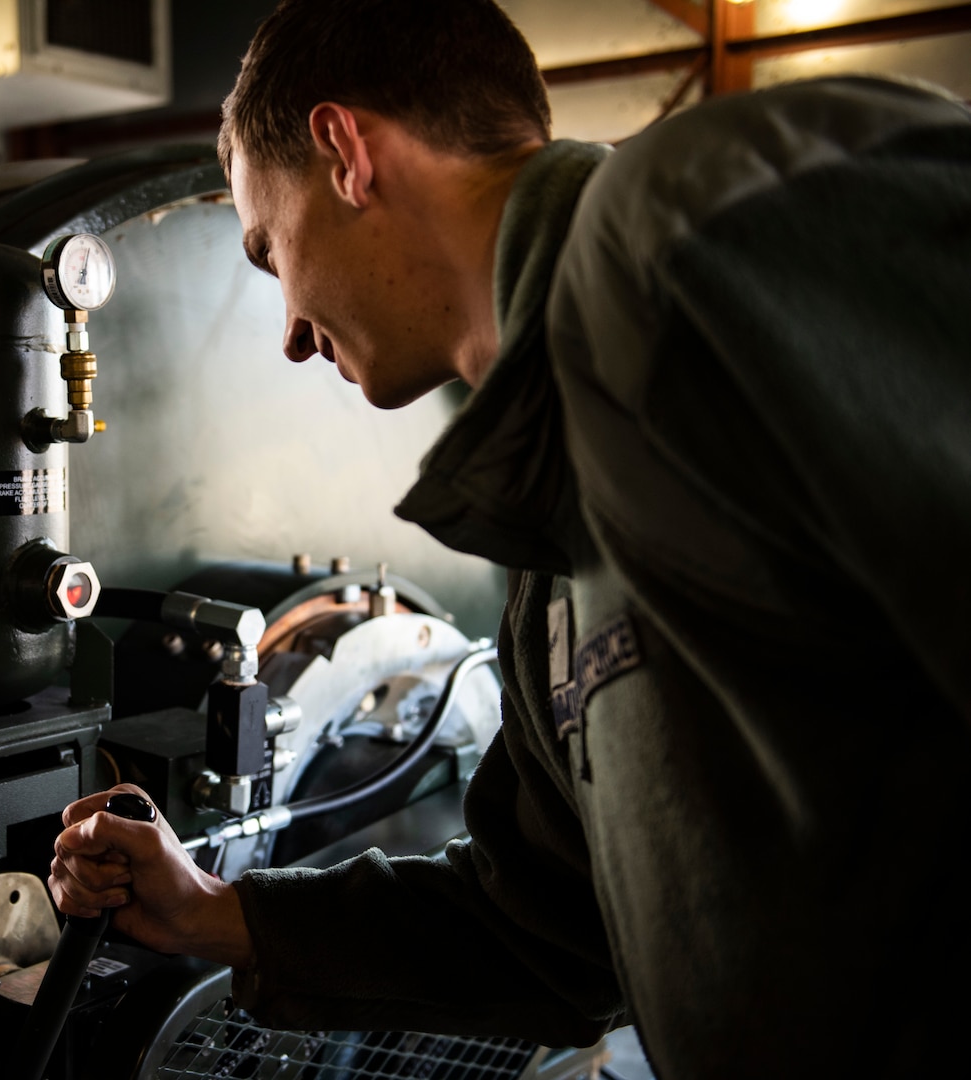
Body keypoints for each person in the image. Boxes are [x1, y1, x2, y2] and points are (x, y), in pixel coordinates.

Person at [48, 1, 971, 1076]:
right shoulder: (547, 537)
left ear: (346, 152)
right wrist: (216, 914)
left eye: (269, 253)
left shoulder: (709, 219)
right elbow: (550, 932)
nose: (290, 329)